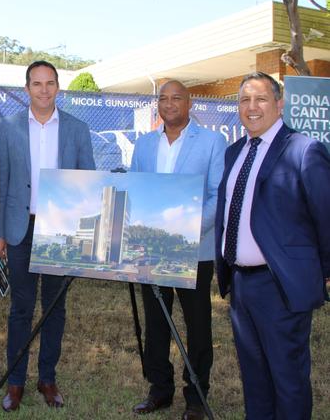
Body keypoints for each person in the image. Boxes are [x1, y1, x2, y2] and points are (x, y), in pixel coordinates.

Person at [215, 72, 330, 420]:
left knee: (288, 379)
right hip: (241, 285)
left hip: (280, 285)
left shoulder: (304, 150)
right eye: (244, 100)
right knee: (255, 379)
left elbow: (326, 216)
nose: (252, 107)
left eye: (261, 99)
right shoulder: (235, 151)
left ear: (279, 103)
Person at [0, 60, 95, 412]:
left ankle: (47, 378)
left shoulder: (78, 129)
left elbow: (88, 185)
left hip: (61, 230)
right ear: (27, 89)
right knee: (21, 309)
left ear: (58, 88)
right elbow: (0, 182)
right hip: (21, 228)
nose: (44, 90)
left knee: (54, 308)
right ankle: (16, 383)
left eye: (50, 83)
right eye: (37, 84)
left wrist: (84, 233)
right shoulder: (9, 127)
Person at [130, 80, 226, 420]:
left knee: (197, 325)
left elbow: (218, 195)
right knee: (156, 323)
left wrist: (187, 232)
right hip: (151, 252)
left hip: (193, 249)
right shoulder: (143, 145)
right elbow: (134, 191)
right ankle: (160, 390)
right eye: (163, 98)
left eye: (176, 98)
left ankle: (197, 396)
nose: (169, 104)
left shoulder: (213, 142)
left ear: (190, 102)